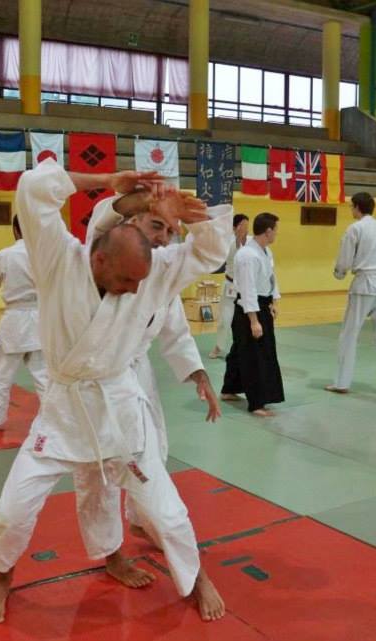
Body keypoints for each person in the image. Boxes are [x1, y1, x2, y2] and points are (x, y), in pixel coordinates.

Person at [0, 159, 231, 624]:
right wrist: (105, 180)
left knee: (165, 511)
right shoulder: (58, 260)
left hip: (120, 410)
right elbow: (33, 189)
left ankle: (197, 578)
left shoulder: (155, 271)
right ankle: (2, 577)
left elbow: (210, 253)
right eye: (127, 280)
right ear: (99, 259)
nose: (133, 290)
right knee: (13, 510)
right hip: (63, 411)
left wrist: (191, 218)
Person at [83, 189, 223, 593]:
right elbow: (101, 222)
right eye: (155, 224)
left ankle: (143, 520)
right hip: (91, 379)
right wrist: (142, 198)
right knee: (98, 471)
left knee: (153, 452)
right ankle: (111, 553)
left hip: (134, 374)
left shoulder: (160, 273)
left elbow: (175, 329)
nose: (163, 237)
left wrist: (198, 374)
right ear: (131, 222)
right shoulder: (103, 253)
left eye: (169, 230)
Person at [0, 216, 47, 430]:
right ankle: (56, 420)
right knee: (44, 374)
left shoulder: (5, 255)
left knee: (0, 373)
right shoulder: (46, 254)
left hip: (15, 319)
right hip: (42, 318)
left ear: (15, 229)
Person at [325, 192, 376, 397]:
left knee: (349, 334)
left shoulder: (355, 228)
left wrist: (339, 272)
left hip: (364, 284)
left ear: (357, 207)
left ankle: (342, 382)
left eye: (352, 206)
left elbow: (345, 258)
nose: (351, 210)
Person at [221, 213, 284, 417]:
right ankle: (257, 403)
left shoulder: (265, 251)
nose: (277, 234)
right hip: (250, 308)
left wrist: (274, 300)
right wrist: (254, 321)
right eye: (275, 230)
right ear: (268, 231)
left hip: (262, 303)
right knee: (256, 355)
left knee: (240, 350)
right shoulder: (248, 255)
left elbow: (271, 277)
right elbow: (248, 290)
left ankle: (229, 388)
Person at [208, 214, 251, 360]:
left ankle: (243, 349)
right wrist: (238, 239)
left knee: (246, 320)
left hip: (246, 287)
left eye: (247, 224)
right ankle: (219, 347)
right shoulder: (228, 242)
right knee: (225, 319)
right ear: (234, 227)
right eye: (242, 225)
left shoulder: (251, 241)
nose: (245, 228)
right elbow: (232, 255)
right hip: (230, 285)